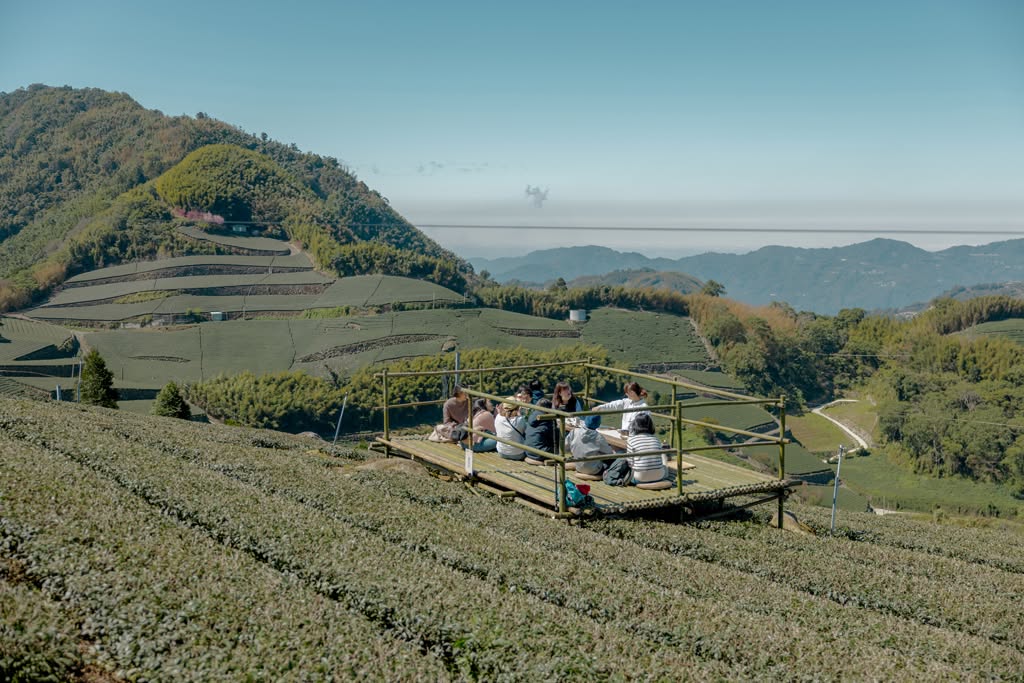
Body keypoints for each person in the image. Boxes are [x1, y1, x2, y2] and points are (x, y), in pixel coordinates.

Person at [626, 413, 667, 484]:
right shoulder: (656, 439)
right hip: (659, 476)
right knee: (663, 454)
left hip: (639, 478)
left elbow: (629, 463)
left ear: (635, 425)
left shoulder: (631, 440)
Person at [524, 398, 556, 462]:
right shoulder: (547, 420)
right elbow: (555, 437)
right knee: (560, 449)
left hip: (528, 451)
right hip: (540, 454)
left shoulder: (531, 416)